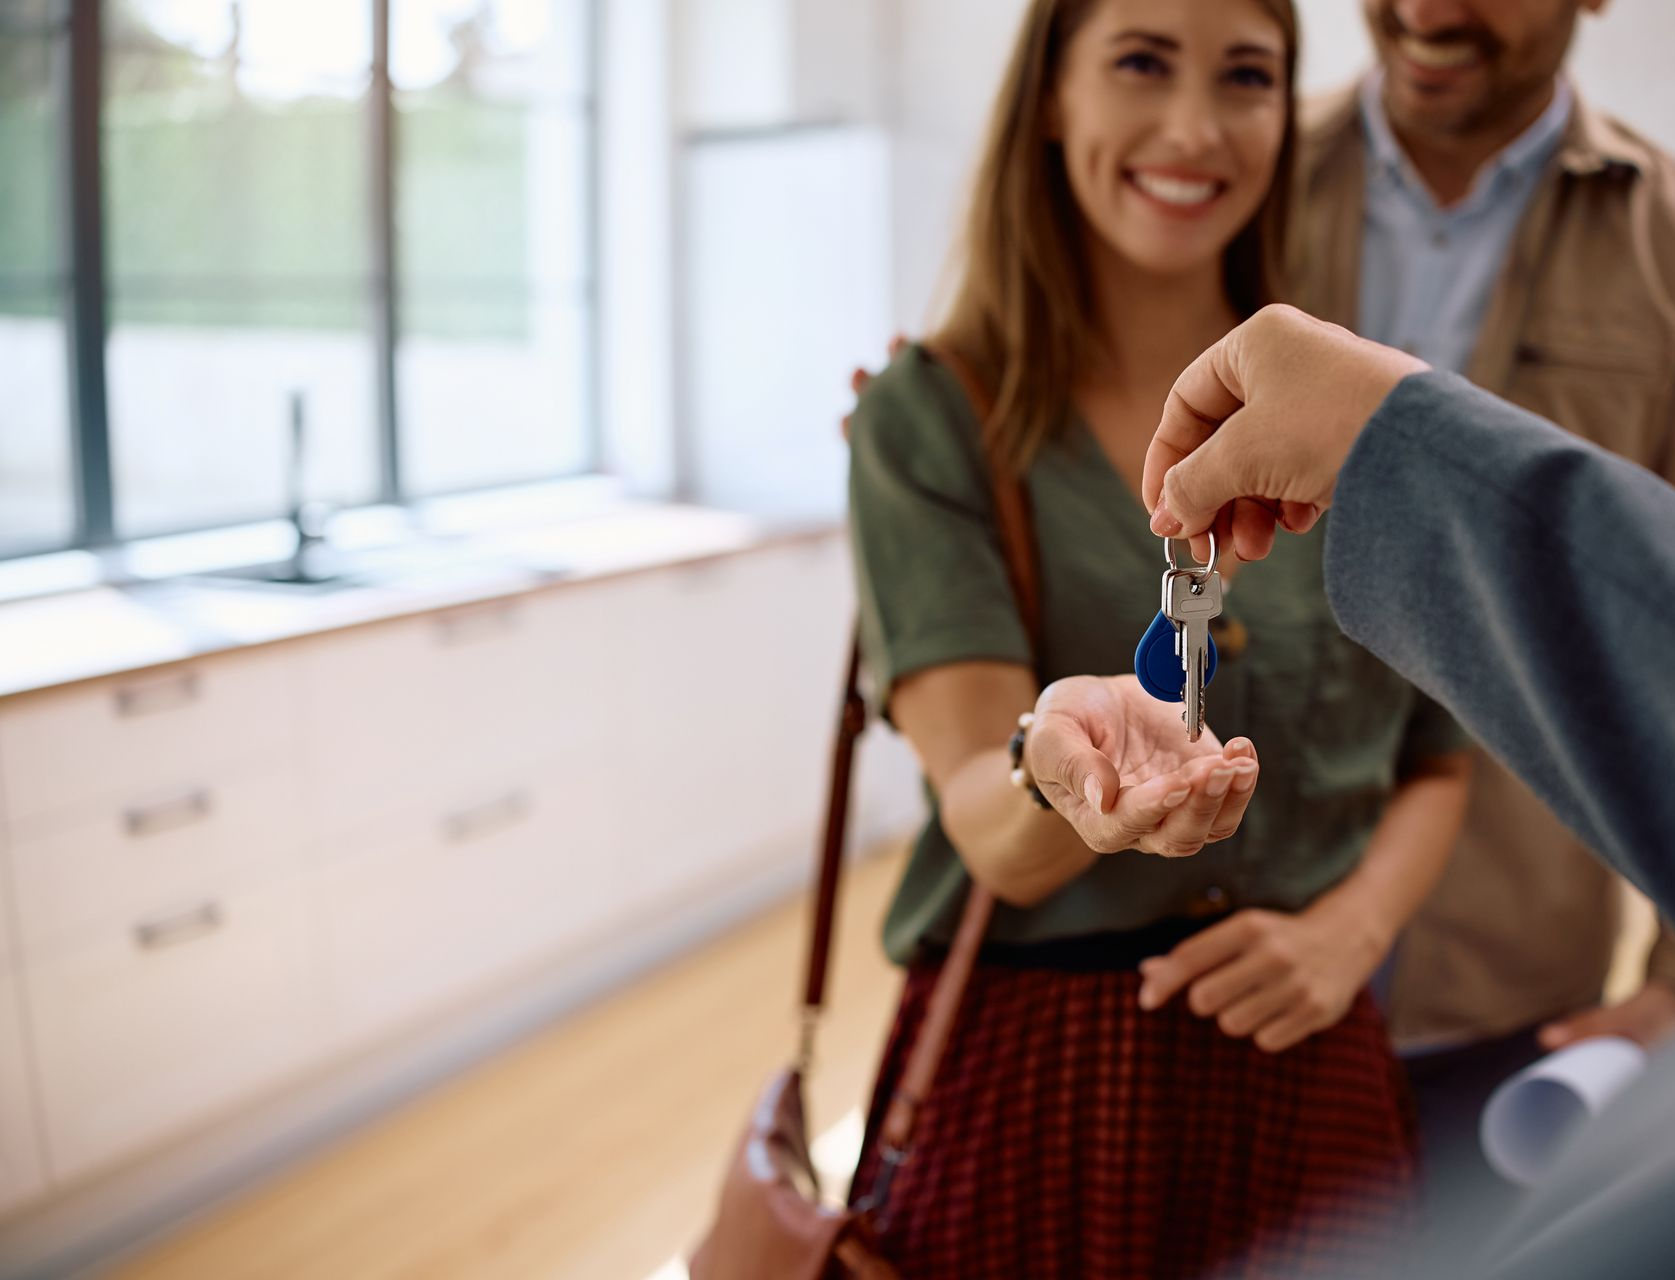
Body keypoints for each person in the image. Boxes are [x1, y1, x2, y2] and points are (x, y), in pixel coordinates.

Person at [843, 2, 1474, 1275]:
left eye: (1246, 77)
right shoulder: (931, 416)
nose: (1194, 127)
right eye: (1140, 61)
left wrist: (1353, 931)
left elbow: (1435, 758)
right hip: (1043, 1085)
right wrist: (1055, 769)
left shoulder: (1364, 411)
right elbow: (985, 822)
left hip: (1315, 1066)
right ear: (1053, 100)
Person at [1135, 300, 1675, 1278]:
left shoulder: (1655, 239)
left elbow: (1443, 750)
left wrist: (1386, 436)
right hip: (1176, 1045)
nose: (1196, 138)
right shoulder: (1301, 198)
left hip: (1510, 979)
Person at [1288, 0, 1675, 1229]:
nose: (1427, 9)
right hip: (1248, 935)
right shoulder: (1239, 184)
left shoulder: (1664, 237)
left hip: (1511, 978)